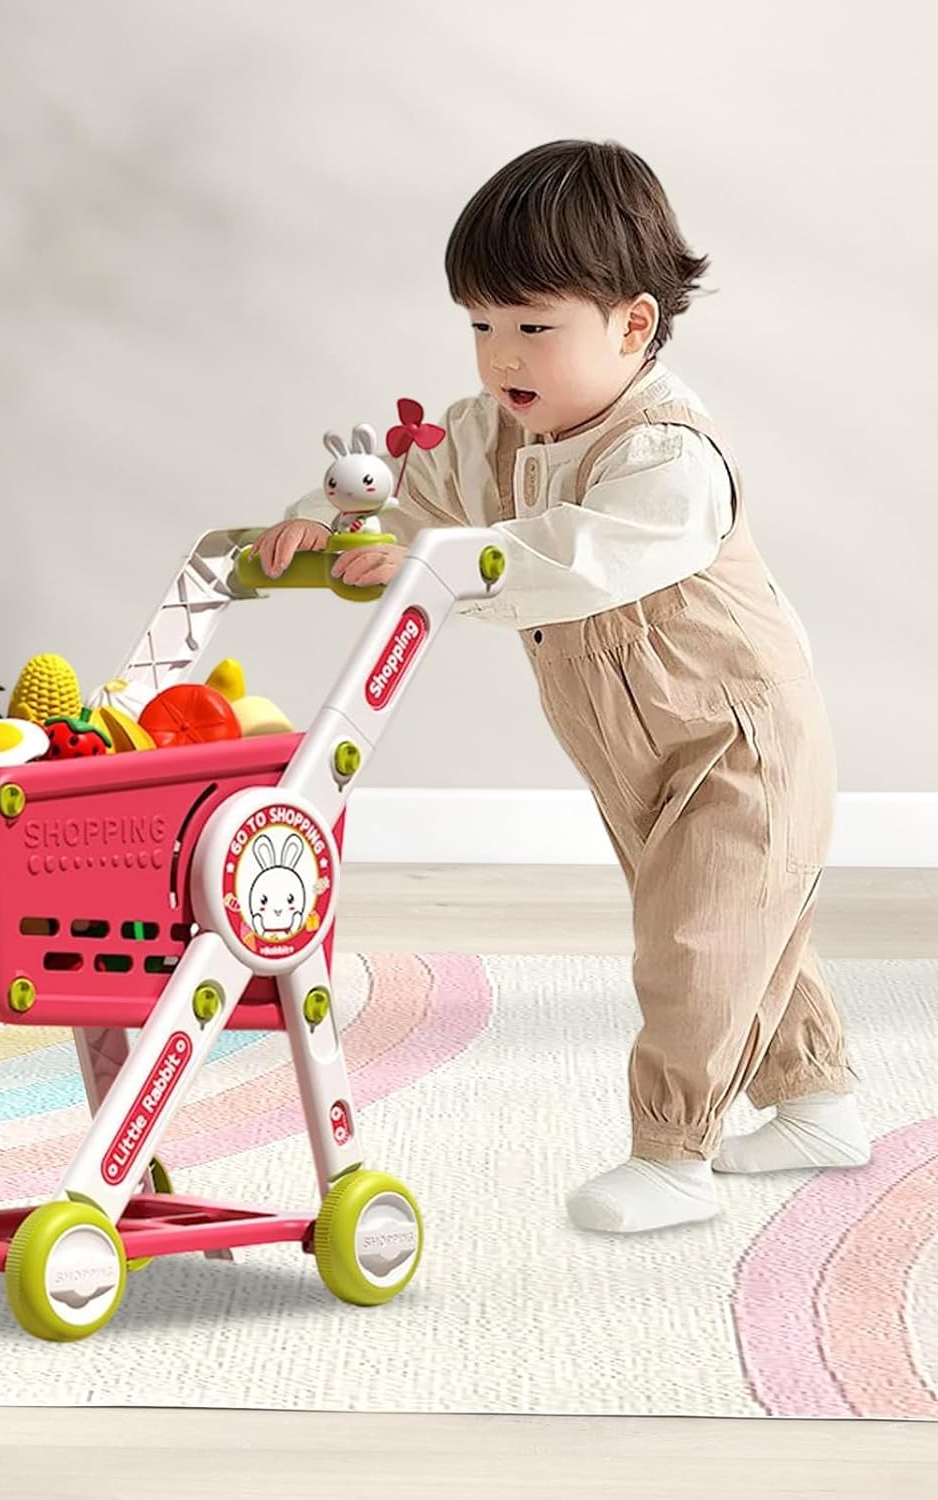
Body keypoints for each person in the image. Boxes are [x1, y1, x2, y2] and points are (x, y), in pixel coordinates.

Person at [253, 140, 871, 1233]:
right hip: (634, 747)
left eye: (534, 327)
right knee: (743, 929)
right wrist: (327, 520)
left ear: (632, 326)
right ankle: (818, 1102)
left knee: (697, 944)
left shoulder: (667, 456)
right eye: (481, 324)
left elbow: (579, 556)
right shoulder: (496, 430)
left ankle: (672, 1156)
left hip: (740, 738)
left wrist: (437, 566)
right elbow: (405, 488)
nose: (501, 355)